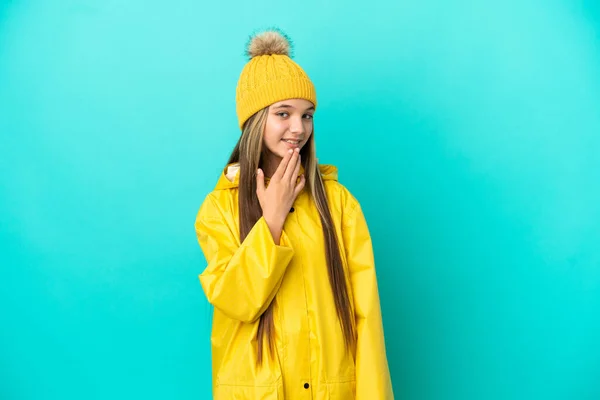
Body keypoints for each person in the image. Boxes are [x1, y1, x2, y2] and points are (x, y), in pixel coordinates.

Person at [194, 28, 394, 400]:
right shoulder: (218, 209)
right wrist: (271, 219)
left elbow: (366, 320)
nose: (298, 128)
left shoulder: (338, 203)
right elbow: (237, 302)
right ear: (255, 121)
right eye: (282, 113)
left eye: (307, 115)